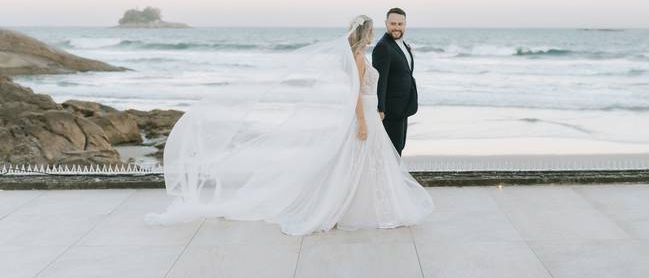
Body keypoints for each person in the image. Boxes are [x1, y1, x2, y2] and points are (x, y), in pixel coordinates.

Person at [145, 15, 433, 236]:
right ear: (365, 33)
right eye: (371, 31)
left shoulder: (360, 55)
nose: (374, 35)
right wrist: (361, 121)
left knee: (365, 164)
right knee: (358, 163)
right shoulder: (358, 58)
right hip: (364, 114)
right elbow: (356, 93)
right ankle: (350, 209)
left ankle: (368, 205)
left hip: (370, 113)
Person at [372, 8, 417, 155]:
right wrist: (380, 108)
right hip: (390, 112)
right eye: (393, 24)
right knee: (391, 153)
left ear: (405, 24)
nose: (396, 27)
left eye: (400, 24)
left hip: (403, 108)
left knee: (399, 148)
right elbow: (380, 80)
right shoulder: (383, 47)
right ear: (386, 23)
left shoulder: (402, 45)